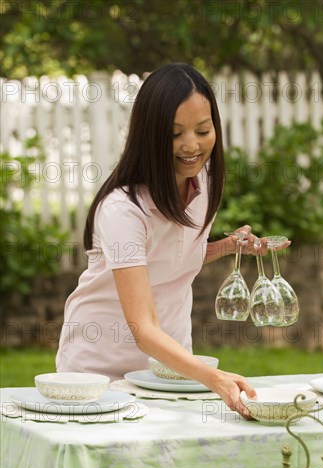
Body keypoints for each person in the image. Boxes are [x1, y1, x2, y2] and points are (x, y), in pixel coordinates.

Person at [56, 62, 289, 417]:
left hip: (169, 369)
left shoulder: (203, 181)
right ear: (149, 134)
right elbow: (143, 328)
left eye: (203, 129)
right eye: (175, 133)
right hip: (99, 372)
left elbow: (172, 257)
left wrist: (227, 247)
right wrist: (214, 377)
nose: (191, 145)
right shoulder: (122, 209)